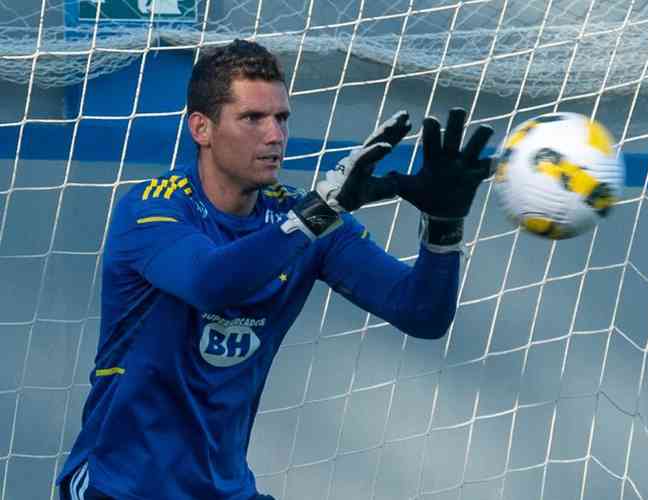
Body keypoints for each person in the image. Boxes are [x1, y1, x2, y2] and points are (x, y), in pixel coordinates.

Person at [54, 39, 493, 500]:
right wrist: (319, 213)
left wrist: (445, 226)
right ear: (201, 128)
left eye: (281, 118)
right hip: (119, 486)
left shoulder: (303, 220)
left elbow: (422, 313)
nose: (274, 135)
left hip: (225, 489)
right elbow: (212, 282)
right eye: (252, 118)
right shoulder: (151, 210)